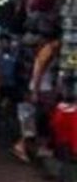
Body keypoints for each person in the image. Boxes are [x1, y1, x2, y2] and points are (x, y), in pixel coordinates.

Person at [29, 29, 61, 157]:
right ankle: (40, 146)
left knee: (41, 118)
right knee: (44, 118)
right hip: (43, 89)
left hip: (43, 88)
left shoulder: (46, 50)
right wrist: (36, 92)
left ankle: (38, 146)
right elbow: (39, 73)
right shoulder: (48, 51)